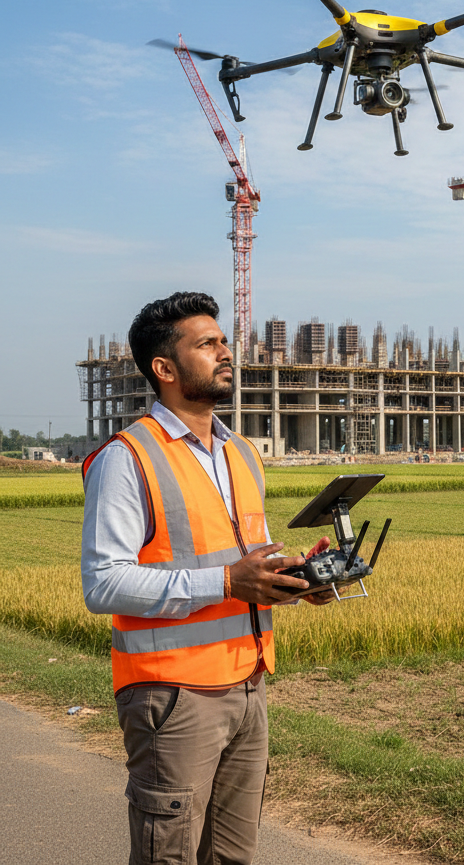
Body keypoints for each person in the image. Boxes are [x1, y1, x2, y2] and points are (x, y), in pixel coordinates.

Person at [81, 291, 333, 865]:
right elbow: (103, 583)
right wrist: (225, 583)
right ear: (165, 370)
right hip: (173, 697)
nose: (227, 352)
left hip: (249, 684)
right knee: (166, 856)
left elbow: (248, 562)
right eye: (208, 344)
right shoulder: (128, 457)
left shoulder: (241, 452)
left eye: (223, 341)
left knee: (232, 856)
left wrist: (295, 579)